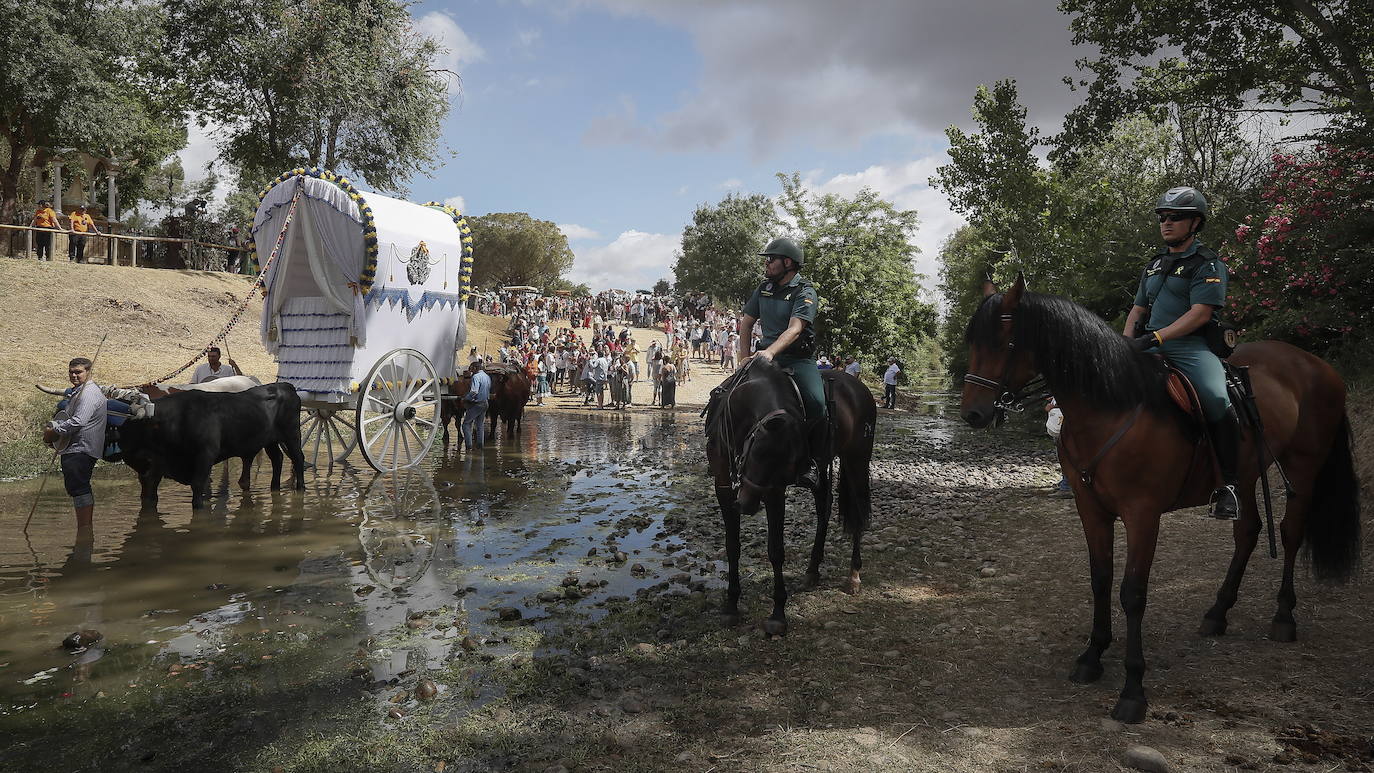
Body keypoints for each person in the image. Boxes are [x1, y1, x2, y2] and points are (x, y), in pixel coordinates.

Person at [1123, 186, 1240, 519]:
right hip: (1149, 345)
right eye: (1163, 217)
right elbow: (1137, 311)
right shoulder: (1155, 265)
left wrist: (1156, 338)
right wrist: (1126, 342)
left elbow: (1201, 313)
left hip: (1190, 348)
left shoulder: (1208, 263)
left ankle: (1229, 486)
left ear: (1195, 223)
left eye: (1176, 218)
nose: (1167, 223)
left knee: (1217, 398)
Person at [739, 236, 825, 489]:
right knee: (726, 394)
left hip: (797, 359)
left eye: (770, 259)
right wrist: (744, 358)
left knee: (817, 403)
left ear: (787, 262)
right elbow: (746, 323)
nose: (766, 264)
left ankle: (813, 463)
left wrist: (771, 352)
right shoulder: (763, 288)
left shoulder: (804, 292)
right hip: (764, 357)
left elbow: (795, 329)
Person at [42, 357, 106, 532]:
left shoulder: (88, 393)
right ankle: (84, 529)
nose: (74, 375)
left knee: (79, 487)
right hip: (73, 446)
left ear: (88, 372)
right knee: (76, 486)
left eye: (78, 372)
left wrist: (54, 432)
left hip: (82, 447)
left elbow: (78, 421)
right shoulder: (79, 391)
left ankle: (85, 530)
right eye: (71, 372)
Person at [461, 361, 491, 451]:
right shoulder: (487, 376)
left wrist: (466, 398)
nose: (470, 370)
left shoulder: (476, 377)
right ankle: (480, 446)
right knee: (480, 425)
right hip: (485, 403)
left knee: (466, 424)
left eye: (471, 368)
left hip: (477, 404)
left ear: (474, 368)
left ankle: (469, 446)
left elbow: (474, 391)